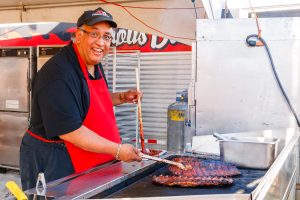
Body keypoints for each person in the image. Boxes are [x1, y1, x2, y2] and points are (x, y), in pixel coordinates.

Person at [19, 7, 142, 191]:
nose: (101, 42)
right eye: (94, 34)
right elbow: (71, 131)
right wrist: (118, 150)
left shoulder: (92, 63)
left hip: (84, 156)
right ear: (78, 35)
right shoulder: (58, 74)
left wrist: (121, 97)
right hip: (54, 157)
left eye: (107, 36)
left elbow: (88, 99)